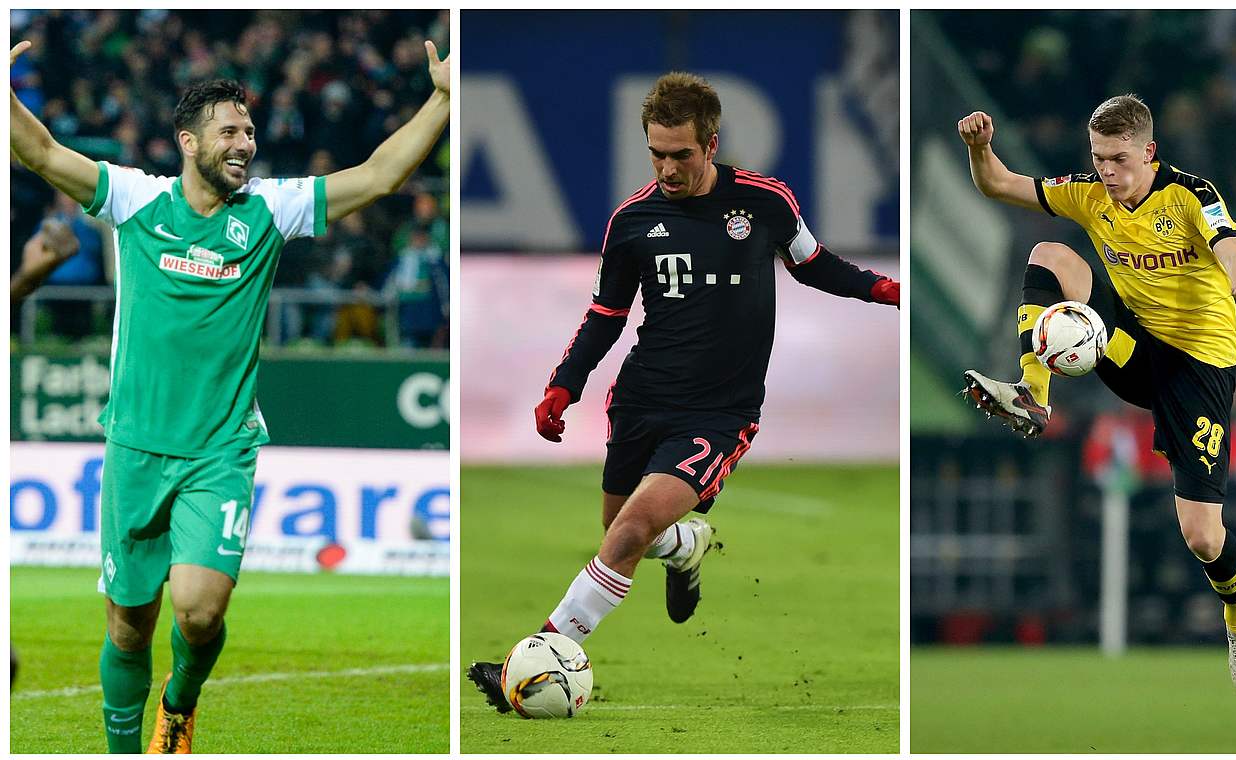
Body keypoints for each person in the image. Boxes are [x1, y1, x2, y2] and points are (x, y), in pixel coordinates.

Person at [9, 37, 449, 752]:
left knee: (200, 612)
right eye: (229, 131)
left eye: (248, 130)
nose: (245, 142)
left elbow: (378, 176)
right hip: (134, 447)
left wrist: (442, 99)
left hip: (220, 450)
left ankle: (179, 705)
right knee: (127, 624)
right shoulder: (137, 198)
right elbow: (42, 152)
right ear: (189, 141)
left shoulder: (270, 211)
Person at [467, 71, 899, 712]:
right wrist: (565, 384)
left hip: (720, 413)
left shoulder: (764, 202)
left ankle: (538, 653)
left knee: (633, 525)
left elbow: (814, 264)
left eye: (681, 154)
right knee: (623, 532)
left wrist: (886, 289)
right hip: (641, 399)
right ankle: (685, 547)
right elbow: (606, 316)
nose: (667, 168)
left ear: (712, 144)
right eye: (656, 154)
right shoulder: (634, 222)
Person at [956, 96, 1236, 688]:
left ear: (1149, 152)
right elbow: (999, 185)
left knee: (1202, 535)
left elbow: (1229, 244)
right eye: (1098, 158)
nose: (1108, 172)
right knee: (1050, 255)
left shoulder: (1190, 196)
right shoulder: (1090, 192)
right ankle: (1032, 391)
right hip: (1130, 346)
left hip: (1196, 371)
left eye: (1120, 159)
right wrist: (978, 149)